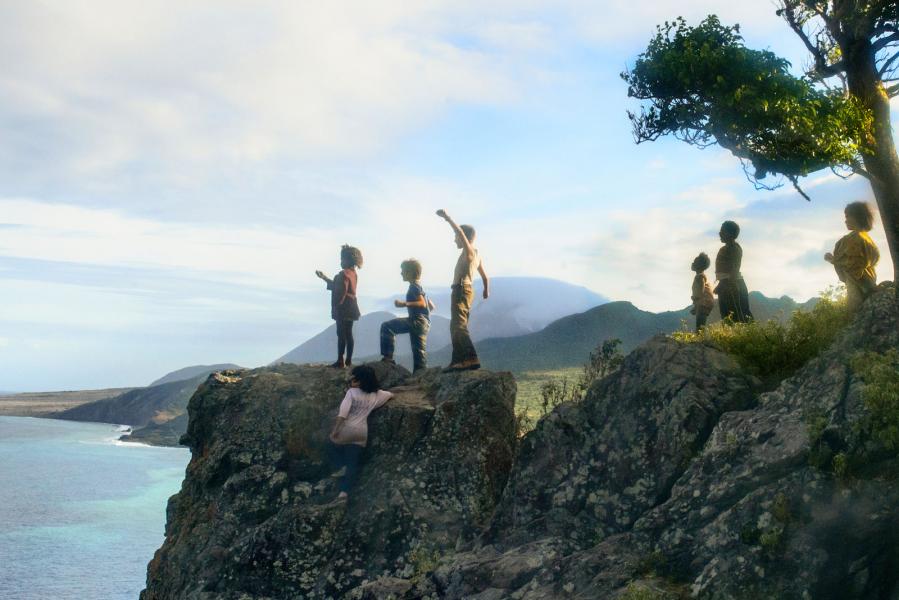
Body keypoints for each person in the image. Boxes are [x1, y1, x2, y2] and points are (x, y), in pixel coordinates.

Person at [328, 365, 393, 500]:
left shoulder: (351, 392)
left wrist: (335, 430)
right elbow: (390, 394)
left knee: (331, 444)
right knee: (353, 462)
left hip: (346, 429)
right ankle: (344, 492)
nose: (352, 380)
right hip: (362, 433)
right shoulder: (377, 394)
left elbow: (343, 413)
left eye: (354, 378)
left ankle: (340, 466)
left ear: (359, 381)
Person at [436, 209, 489, 371]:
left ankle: (471, 358)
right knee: (455, 326)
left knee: (459, 325)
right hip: (466, 290)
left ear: (463, 237)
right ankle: (457, 361)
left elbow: (459, 231)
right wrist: (486, 291)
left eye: (456, 237)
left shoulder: (469, 252)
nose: (454, 240)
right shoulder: (477, 255)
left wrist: (447, 218)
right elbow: (485, 277)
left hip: (461, 290)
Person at [825, 201, 880, 311]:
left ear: (856, 217)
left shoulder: (852, 239)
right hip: (870, 281)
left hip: (857, 285)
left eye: (847, 216)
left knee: (855, 313)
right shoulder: (867, 238)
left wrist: (832, 259)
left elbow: (852, 263)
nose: (845, 220)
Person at [380, 259, 433, 372]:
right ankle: (420, 372)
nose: (401, 273)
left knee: (387, 327)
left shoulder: (414, 286)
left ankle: (388, 358)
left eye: (403, 271)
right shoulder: (419, 286)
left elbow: (422, 303)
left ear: (410, 272)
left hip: (417, 321)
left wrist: (404, 304)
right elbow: (431, 306)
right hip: (424, 323)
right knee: (419, 352)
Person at [315, 245, 363, 368]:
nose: (340, 262)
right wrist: (324, 277)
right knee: (349, 334)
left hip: (343, 308)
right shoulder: (353, 274)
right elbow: (339, 287)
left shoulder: (343, 274)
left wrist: (337, 306)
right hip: (352, 307)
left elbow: (340, 292)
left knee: (341, 334)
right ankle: (349, 361)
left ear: (347, 260)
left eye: (342, 259)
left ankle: (340, 361)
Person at [714, 220, 753, 323]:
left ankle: (746, 332)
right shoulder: (725, 248)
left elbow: (734, 269)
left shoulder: (735, 249)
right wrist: (721, 284)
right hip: (726, 284)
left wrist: (725, 284)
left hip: (733, 285)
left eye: (722, 231)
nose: (720, 233)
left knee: (738, 315)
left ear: (730, 234)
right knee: (726, 315)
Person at [690, 252, 715, 331]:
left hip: (703, 303)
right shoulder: (700, 276)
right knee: (700, 324)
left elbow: (701, 291)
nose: (692, 263)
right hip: (703, 303)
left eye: (694, 262)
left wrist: (696, 304)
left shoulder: (700, 276)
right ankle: (700, 336)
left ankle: (700, 337)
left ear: (699, 265)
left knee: (700, 327)